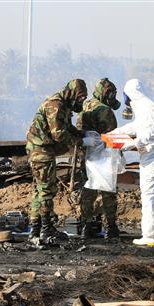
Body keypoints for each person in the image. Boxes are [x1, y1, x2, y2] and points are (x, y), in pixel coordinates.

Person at [26, 79, 101, 245]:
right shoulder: (56, 105)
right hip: (41, 151)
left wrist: (84, 134)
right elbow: (59, 134)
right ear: (71, 94)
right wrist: (82, 142)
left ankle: (35, 231)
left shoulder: (64, 106)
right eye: (79, 98)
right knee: (46, 190)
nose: (80, 102)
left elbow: (67, 128)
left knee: (40, 191)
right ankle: (45, 231)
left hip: (45, 150)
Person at [110, 79, 154, 247]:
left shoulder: (146, 107)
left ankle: (149, 236)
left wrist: (132, 144)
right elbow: (138, 126)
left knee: (150, 196)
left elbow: (153, 132)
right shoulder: (150, 105)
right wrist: (116, 133)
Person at [77, 78, 122, 239]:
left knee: (88, 191)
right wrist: (120, 158)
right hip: (103, 156)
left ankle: (86, 226)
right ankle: (111, 227)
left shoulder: (85, 106)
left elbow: (78, 130)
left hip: (86, 155)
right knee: (108, 191)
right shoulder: (105, 111)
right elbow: (113, 137)